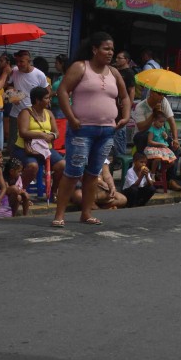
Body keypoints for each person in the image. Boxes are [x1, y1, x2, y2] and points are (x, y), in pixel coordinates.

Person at [52, 32, 130, 227]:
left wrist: (126, 117)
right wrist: (71, 117)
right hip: (82, 129)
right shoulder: (80, 67)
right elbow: (62, 91)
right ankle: (59, 215)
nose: (110, 53)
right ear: (94, 49)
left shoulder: (114, 72)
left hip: (107, 131)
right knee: (73, 172)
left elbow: (125, 96)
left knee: (93, 173)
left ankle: (86, 213)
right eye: (106, 48)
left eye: (112, 49)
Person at [14, 85, 65, 193]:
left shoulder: (49, 113)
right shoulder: (25, 112)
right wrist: (42, 135)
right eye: (46, 98)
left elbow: (57, 133)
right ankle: (20, 191)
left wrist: (52, 136)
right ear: (37, 100)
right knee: (33, 166)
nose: (49, 100)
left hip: (46, 148)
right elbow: (23, 132)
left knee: (62, 165)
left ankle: (54, 191)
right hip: (26, 149)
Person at [133, 90, 181, 191]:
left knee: (174, 146)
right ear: (151, 93)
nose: (162, 96)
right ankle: (148, 174)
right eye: (159, 94)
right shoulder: (141, 106)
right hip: (143, 135)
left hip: (159, 136)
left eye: (163, 94)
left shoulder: (164, 102)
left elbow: (172, 121)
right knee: (144, 138)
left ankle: (170, 179)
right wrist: (153, 114)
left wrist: (175, 139)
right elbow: (141, 127)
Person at [7, 50, 47, 150]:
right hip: (16, 114)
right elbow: (8, 86)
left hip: (33, 115)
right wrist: (12, 95)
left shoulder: (39, 74)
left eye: (22, 61)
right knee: (13, 142)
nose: (19, 64)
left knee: (31, 144)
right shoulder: (14, 71)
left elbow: (47, 92)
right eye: (17, 62)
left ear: (29, 61)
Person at [112, 50, 136, 163]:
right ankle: (117, 158)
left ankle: (120, 160)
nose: (116, 60)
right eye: (116, 58)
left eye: (119, 58)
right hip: (114, 106)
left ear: (126, 60)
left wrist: (128, 106)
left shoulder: (129, 73)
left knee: (120, 133)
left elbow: (132, 90)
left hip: (122, 108)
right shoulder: (115, 71)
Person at [144, 107, 178, 177]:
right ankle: (153, 173)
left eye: (163, 122)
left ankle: (160, 171)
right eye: (160, 122)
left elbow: (164, 138)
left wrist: (165, 136)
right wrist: (160, 144)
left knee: (172, 161)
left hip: (163, 148)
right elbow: (150, 141)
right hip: (154, 148)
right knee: (157, 159)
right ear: (154, 120)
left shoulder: (162, 128)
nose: (162, 124)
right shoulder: (152, 129)